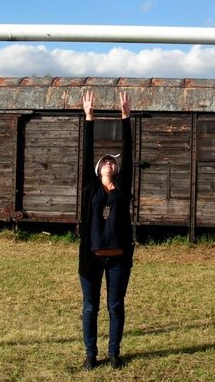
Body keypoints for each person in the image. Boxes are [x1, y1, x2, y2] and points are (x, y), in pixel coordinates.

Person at [78, 90, 135, 371]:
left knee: (115, 307)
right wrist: (89, 117)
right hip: (92, 258)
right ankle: (91, 354)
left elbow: (130, 150)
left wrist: (126, 116)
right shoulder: (89, 188)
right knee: (90, 308)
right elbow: (86, 149)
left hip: (119, 260)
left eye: (113, 161)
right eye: (105, 161)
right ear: (98, 168)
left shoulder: (123, 190)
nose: (109, 162)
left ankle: (114, 353)